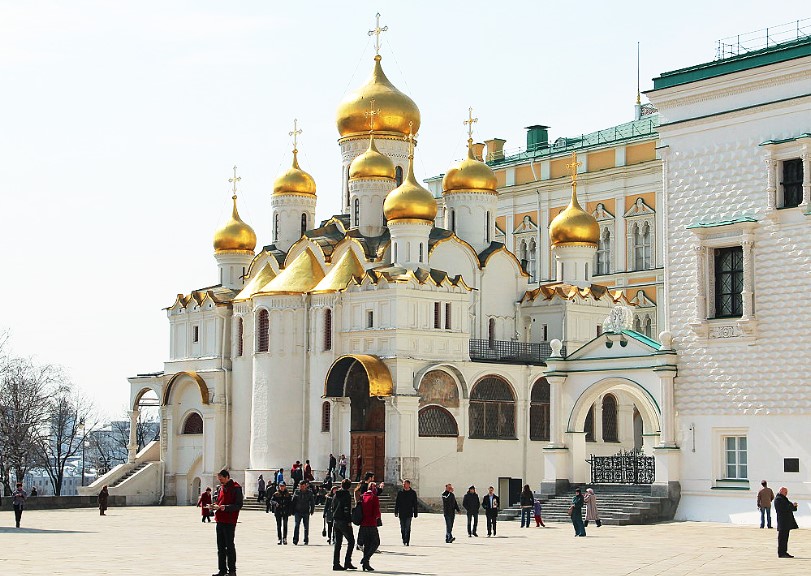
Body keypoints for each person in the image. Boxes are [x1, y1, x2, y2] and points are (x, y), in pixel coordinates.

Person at [210, 469, 243, 576]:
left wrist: (226, 508)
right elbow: (219, 501)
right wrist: (214, 505)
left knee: (229, 546)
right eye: (219, 479)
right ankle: (222, 570)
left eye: (222, 479)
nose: (220, 481)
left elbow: (238, 505)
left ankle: (232, 570)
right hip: (219, 519)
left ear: (227, 477)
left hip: (229, 520)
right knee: (220, 547)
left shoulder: (236, 488)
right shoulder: (220, 488)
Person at [331, 478, 357, 571]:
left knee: (338, 543)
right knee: (351, 541)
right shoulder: (346, 495)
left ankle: (336, 563)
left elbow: (332, 507)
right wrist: (349, 521)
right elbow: (347, 509)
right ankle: (347, 561)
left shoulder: (335, 495)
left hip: (336, 521)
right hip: (343, 521)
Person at [359, 482, 381, 571]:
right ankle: (365, 559)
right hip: (371, 523)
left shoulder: (362, 497)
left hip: (363, 524)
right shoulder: (374, 498)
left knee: (367, 544)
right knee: (376, 542)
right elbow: (376, 512)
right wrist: (378, 517)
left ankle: (366, 565)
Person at [774, 486, 799, 558]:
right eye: (785, 492)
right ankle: (781, 553)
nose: (786, 494)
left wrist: (794, 506)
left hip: (786, 522)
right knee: (782, 538)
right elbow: (784, 508)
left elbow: (791, 507)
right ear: (781, 491)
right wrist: (791, 506)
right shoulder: (778, 499)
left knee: (785, 538)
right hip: (782, 522)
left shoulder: (784, 499)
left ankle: (784, 552)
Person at [394, 480, 419, 546]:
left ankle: (407, 541)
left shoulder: (413, 493)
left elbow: (415, 503)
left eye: (405, 484)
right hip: (401, 512)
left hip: (409, 512)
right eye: (403, 484)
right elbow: (397, 502)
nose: (403, 485)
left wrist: (415, 512)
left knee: (407, 527)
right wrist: (396, 511)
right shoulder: (400, 492)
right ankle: (403, 539)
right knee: (402, 528)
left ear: (409, 484)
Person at [291, 479, 315, 545]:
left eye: (303, 486)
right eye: (300, 486)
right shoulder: (296, 492)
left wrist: (312, 510)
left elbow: (312, 502)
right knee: (296, 526)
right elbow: (293, 501)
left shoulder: (309, 492)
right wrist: (292, 510)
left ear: (306, 486)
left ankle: (306, 540)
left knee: (306, 527)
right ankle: (295, 540)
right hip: (297, 511)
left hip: (306, 511)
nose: (301, 487)